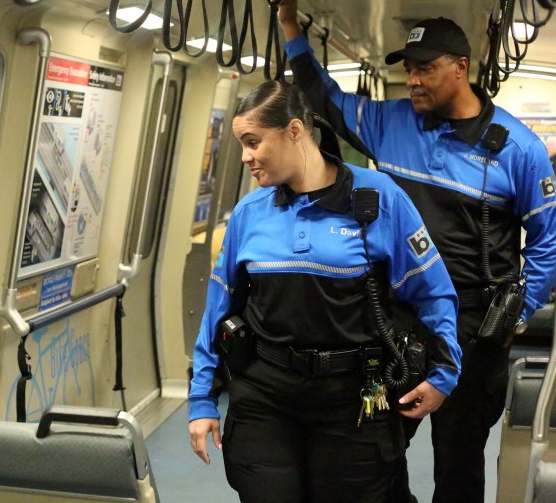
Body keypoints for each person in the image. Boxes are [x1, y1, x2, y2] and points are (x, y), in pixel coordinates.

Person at [278, 0, 556, 502]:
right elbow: (323, 100)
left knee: (457, 466)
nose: (413, 79)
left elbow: (547, 242)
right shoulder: (392, 122)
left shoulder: (518, 148)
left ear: (461, 67)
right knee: (373, 455)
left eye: (426, 68)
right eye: (409, 69)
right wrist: (293, 29)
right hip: (395, 320)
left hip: (474, 330)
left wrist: (516, 317)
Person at [187, 80, 461, 502]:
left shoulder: (379, 198)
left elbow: (433, 293)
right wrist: (202, 398)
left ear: (294, 131)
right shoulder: (249, 213)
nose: (246, 157)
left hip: (351, 401)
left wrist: (445, 374)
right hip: (266, 397)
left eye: (253, 142)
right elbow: (219, 307)